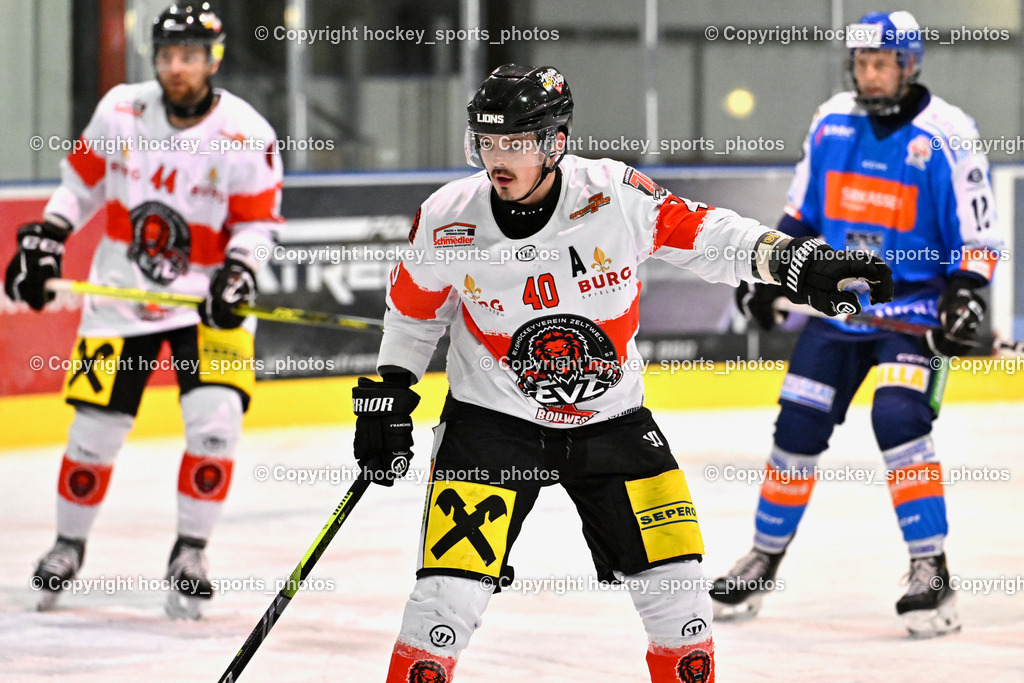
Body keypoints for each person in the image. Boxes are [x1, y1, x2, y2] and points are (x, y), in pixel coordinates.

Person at [350, 64, 892, 682]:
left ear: (555, 142)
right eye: (487, 141)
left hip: (612, 425)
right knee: (444, 606)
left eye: (516, 143)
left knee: (683, 610)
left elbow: (710, 235)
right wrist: (388, 395)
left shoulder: (612, 195)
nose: (497, 158)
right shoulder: (450, 215)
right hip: (493, 426)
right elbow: (414, 315)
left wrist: (797, 261)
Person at [713, 11, 1002, 638]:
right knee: (797, 425)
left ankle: (931, 569)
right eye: (862, 63)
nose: (870, 75)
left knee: (898, 419)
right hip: (838, 310)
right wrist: (768, 272)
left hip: (913, 315)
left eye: (882, 63)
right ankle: (764, 558)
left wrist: (967, 295)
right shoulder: (830, 121)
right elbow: (799, 217)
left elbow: (979, 239)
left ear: (910, 64)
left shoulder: (949, 134)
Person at [4, 3, 283, 619]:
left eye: (188, 56)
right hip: (118, 298)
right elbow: (79, 186)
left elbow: (258, 224)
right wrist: (48, 239)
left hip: (207, 306)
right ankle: (68, 545)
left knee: (215, 424)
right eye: (166, 55)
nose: (176, 67)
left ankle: (190, 552)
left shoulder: (247, 131)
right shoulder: (121, 110)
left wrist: (238, 274)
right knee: (93, 434)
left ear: (213, 58)